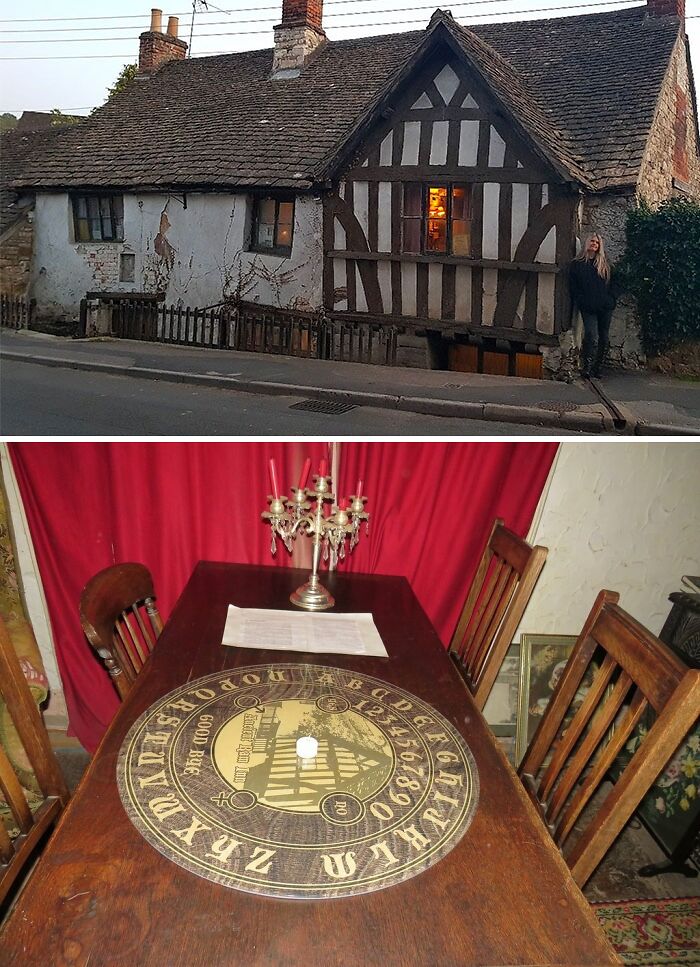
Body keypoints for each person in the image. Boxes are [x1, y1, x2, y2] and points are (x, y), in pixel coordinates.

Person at [569, 233, 617, 379]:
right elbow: (573, 286)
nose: (594, 244)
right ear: (587, 243)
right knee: (590, 334)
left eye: (597, 242)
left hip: (605, 306)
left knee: (604, 336)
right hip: (588, 306)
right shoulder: (577, 265)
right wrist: (581, 300)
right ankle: (587, 366)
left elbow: (615, 283)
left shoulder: (605, 264)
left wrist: (611, 299)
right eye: (592, 241)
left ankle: (598, 367)